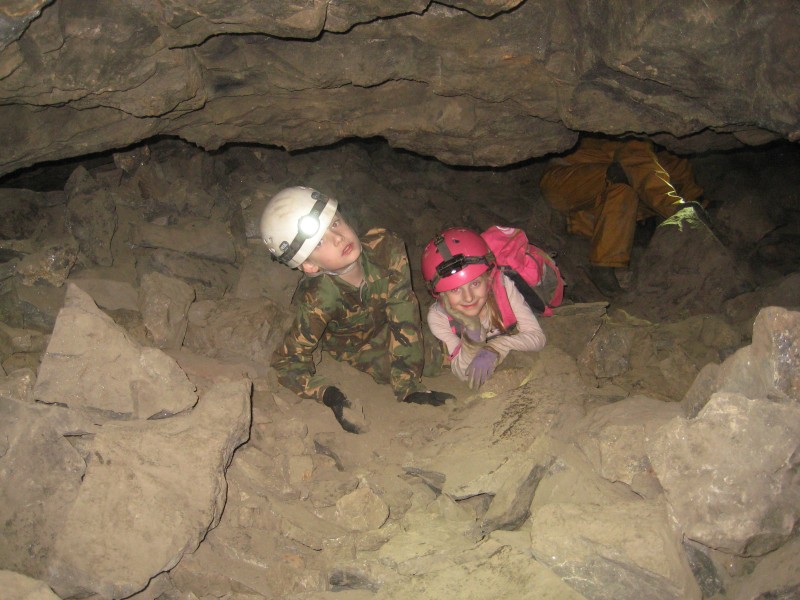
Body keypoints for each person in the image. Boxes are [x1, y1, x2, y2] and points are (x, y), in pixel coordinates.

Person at [261, 186, 454, 434]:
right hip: (358, 346)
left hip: (388, 322)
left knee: (453, 346)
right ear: (309, 265)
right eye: (319, 242)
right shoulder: (319, 300)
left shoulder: (385, 247)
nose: (338, 238)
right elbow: (286, 362)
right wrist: (329, 395)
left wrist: (407, 384)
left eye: (335, 223)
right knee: (436, 358)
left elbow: (404, 311)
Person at [539, 136, 705, 296]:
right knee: (622, 185)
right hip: (564, 179)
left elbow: (676, 172)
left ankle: (602, 238)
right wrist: (676, 208)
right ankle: (603, 266)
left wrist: (700, 204)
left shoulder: (662, 154)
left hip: (592, 192)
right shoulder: (630, 139)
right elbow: (642, 167)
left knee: (637, 181)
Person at [421, 227, 547, 390]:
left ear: (488, 278)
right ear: (441, 294)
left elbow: (538, 338)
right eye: (455, 289)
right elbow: (463, 373)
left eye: (475, 283)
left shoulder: (503, 287)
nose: (468, 298)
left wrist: (496, 347)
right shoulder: (439, 317)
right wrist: (473, 334)